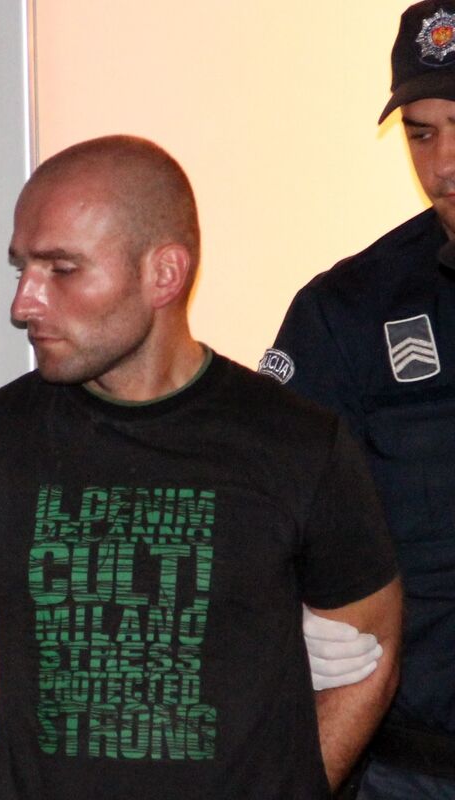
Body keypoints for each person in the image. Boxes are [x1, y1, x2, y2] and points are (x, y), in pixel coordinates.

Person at [0, 135, 403, 799]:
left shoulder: (296, 442)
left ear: (165, 274)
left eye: (62, 270)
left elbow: (369, 656)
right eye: (21, 269)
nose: (24, 304)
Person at [265, 3, 455, 795]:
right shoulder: (348, 313)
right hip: (413, 771)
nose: (444, 164)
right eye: (421, 133)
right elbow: (263, 520)